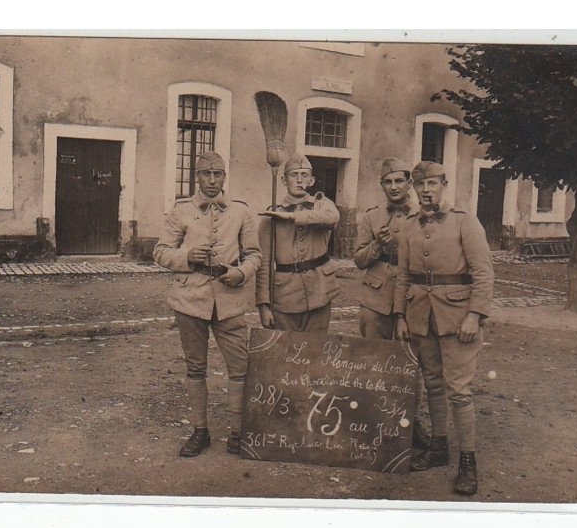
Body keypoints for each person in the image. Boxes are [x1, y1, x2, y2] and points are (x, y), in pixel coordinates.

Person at [394, 160, 494, 495]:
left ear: (444, 184)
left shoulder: (465, 222)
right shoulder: (409, 224)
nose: (425, 190)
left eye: (432, 184)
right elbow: (403, 275)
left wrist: (475, 315)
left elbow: (483, 273)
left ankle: (468, 461)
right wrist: (400, 316)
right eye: (420, 185)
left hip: (458, 316)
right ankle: (439, 447)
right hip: (421, 315)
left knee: (459, 390)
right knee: (433, 384)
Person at [153, 151, 261, 457]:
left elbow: (255, 255)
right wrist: (187, 257)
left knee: (239, 367)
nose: (212, 181)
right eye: (205, 175)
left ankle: (238, 432)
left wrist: (240, 273)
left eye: (218, 175)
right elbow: (160, 252)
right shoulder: (181, 211)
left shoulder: (241, 212)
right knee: (195, 367)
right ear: (196, 177)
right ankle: (200, 431)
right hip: (190, 298)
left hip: (230, 299)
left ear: (225, 177)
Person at [353, 157, 429, 460]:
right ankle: (375, 424)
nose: (394, 187)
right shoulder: (371, 218)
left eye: (399, 180)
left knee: (412, 362)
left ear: (409, 183)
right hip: (375, 299)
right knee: (373, 362)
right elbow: (358, 260)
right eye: (388, 181)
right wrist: (377, 247)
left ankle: (411, 424)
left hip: (412, 298)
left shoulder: (424, 214)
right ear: (382, 185)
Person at [256, 154, 340, 332]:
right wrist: (263, 305)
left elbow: (333, 217)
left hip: (320, 292)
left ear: (312, 180)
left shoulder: (322, 204)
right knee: (286, 353)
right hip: (285, 296)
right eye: (294, 175)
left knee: (316, 351)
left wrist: (293, 217)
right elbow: (264, 265)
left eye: (304, 175)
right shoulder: (272, 215)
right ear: (283, 180)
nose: (300, 180)